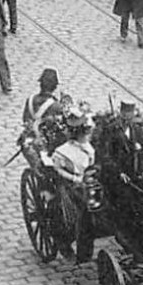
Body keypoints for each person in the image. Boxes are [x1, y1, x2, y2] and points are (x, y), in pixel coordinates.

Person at [51, 112, 95, 262]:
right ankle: (76, 242)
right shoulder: (63, 152)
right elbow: (58, 170)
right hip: (71, 186)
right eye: (85, 131)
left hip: (89, 181)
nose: (87, 134)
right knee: (84, 209)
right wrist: (76, 178)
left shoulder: (89, 145)